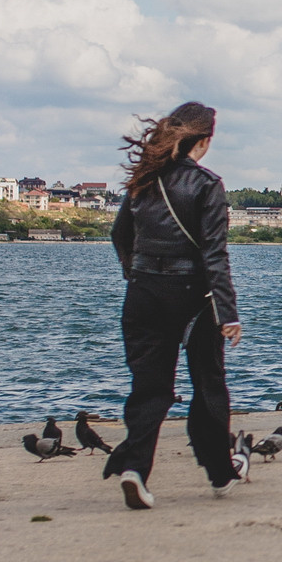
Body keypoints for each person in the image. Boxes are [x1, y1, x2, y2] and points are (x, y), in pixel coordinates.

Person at [104, 100, 249, 512]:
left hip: (144, 292)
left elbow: (120, 237)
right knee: (208, 385)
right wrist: (227, 313)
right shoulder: (207, 184)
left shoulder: (143, 180)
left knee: (149, 388)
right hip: (193, 297)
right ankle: (220, 474)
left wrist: (139, 277)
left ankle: (135, 469)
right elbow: (215, 256)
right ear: (204, 141)